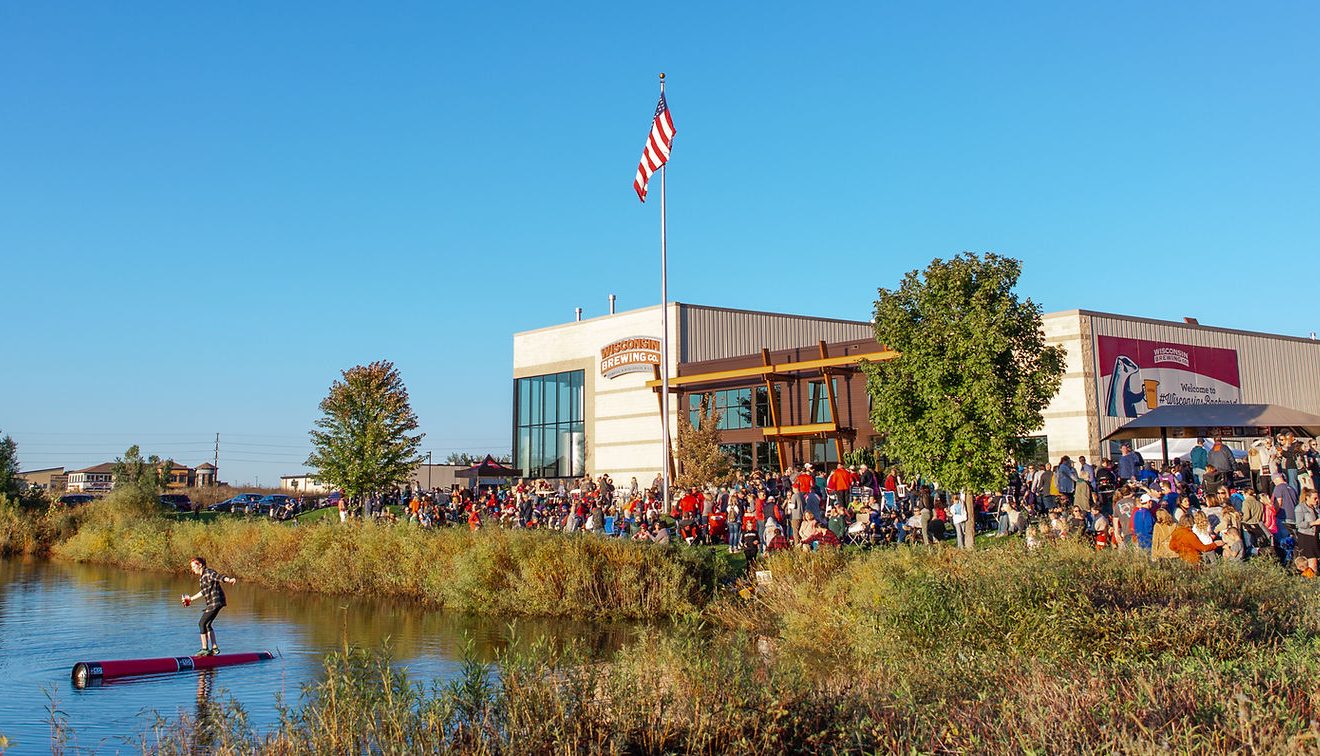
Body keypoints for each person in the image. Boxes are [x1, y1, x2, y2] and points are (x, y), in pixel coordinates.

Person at [183, 556, 237, 657]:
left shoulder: (208, 572)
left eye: (193, 566)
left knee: (201, 623)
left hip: (215, 602)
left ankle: (205, 649)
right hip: (213, 603)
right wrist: (190, 599)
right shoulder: (202, 577)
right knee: (207, 625)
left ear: (199, 565)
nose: (192, 569)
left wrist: (229, 580)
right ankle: (215, 648)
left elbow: (219, 577)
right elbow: (203, 592)